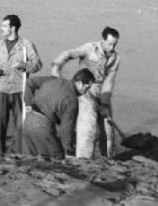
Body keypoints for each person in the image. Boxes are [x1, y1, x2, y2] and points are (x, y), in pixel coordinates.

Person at [51, 26, 121, 158]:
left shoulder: (116, 58)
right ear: (103, 40)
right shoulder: (90, 48)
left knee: (108, 128)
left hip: (102, 91)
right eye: (110, 44)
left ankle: (107, 158)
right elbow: (69, 54)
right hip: (85, 90)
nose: (112, 48)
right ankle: (83, 158)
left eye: (115, 44)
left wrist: (105, 103)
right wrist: (57, 66)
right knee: (88, 127)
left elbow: (110, 81)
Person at [0, 14, 42, 156]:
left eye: (4, 26)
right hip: (1, 89)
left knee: (21, 124)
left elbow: (38, 64)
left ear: (13, 28)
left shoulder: (26, 44)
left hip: (20, 89)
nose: (1, 29)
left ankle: (20, 152)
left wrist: (24, 65)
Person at [23, 68, 95, 159]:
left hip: (27, 123)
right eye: (87, 87)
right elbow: (66, 130)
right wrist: (69, 151)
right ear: (80, 83)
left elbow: (29, 82)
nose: (86, 91)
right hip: (42, 128)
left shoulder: (54, 80)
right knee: (58, 159)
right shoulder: (72, 101)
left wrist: (28, 104)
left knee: (30, 161)